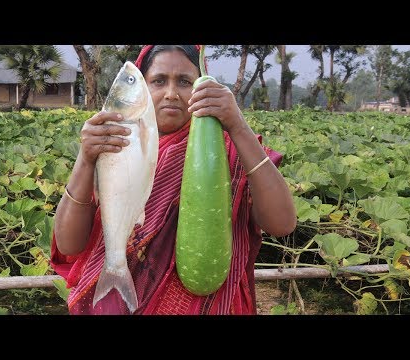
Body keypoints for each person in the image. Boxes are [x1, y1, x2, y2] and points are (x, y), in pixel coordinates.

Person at [51, 45, 297, 315]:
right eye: (158, 81)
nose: (171, 94)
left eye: (184, 82)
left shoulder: (229, 150)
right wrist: (85, 160)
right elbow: (68, 244)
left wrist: (238, 125)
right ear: (141, 89)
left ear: (201, 88)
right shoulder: (113, 148)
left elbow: (282, 224)